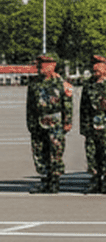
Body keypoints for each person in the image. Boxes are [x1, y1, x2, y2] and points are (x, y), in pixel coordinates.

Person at [26, 53, 74, 194]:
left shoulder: (61, 83)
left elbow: (67, 104)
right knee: (39, 152)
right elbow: (30, 105)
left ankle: (54, 182)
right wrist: (30, 123)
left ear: (53, 65)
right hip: (38, 122)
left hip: (55, 122)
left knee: (55, 152)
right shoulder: (34, 82)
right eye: (40, 64)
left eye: (45, 63)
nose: (41, 66)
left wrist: (67, 121)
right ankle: (45, 180)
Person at [78, 55, 106, 194]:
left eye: (99, 65)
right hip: (91, 125)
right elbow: (83, 106)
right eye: (94, 65)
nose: (95, 67)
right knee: (92, 153)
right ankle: (95, 180)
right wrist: (83, 126)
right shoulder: (89, 84)